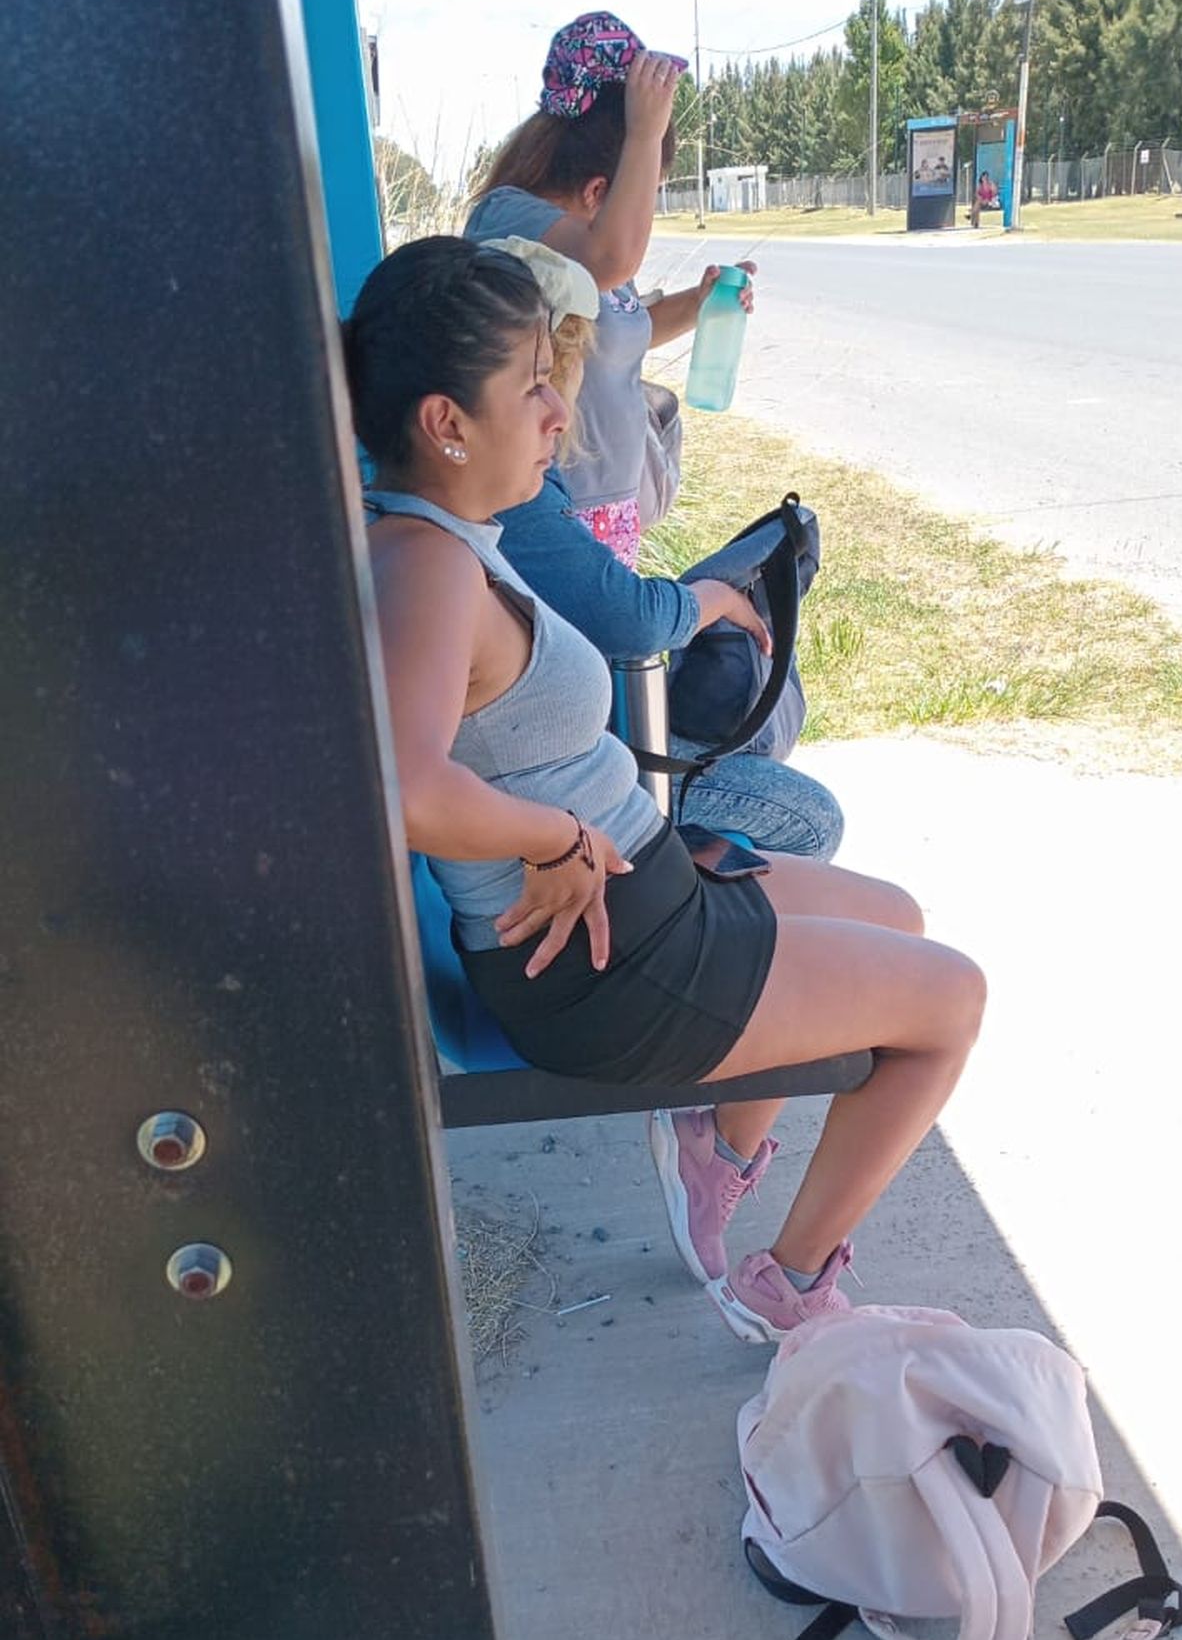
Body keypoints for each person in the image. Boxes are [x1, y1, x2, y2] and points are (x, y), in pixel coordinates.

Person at [343, 238, 987, 1344]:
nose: (560, 412)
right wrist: (552, 838)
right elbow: (404, 785)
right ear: (448, 423)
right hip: (613, 965)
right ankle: (789, 1286)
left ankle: (717, 1150)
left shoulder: (451, 540)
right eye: (532, 385)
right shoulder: (430, 567)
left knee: (899, 918)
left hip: (641, 897)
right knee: (950, 1003)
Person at [483, 234, 844, 862]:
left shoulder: (485, 504)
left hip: (595, 775)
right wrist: (712, 597)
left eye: (554, 381)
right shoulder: (506, 502)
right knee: (811, 819)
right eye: (538, 384)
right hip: (593, 803)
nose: (562, 415)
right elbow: (631, 621)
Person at [465, 9, 752, 569]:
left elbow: (619, 334)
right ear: (600, 189)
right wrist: (644, 133)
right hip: (558, 509)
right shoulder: (510, 219)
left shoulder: (594, 248)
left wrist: (699, 304)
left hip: (612, 506)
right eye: (643, 187)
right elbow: (614, 257)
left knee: (612, 655)